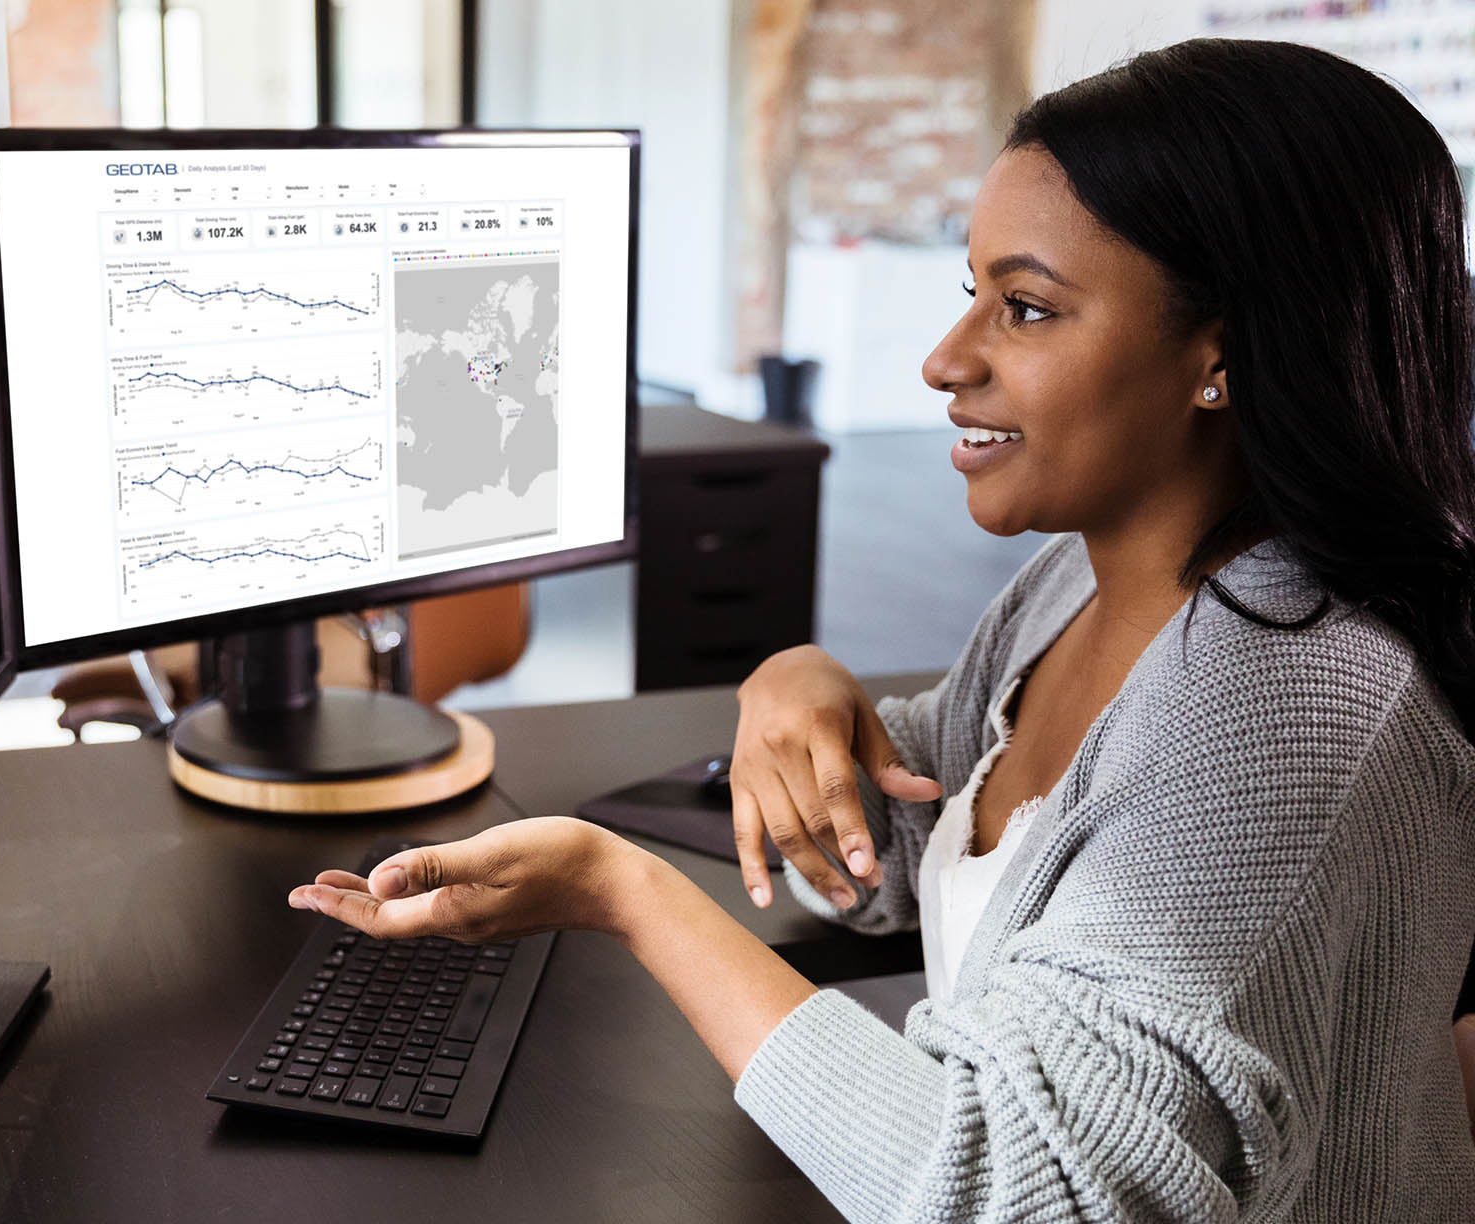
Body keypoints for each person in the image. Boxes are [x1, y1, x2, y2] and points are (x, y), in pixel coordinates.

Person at [286, 40, 1475, 1218]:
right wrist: (797, 687)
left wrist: (624, 890)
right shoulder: (1074, 587)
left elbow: (1012, 1197)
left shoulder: (1285, 715)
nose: (944, 361)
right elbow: (915, 845)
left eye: (1024, 309)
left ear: (1221, 356)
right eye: (972, 296)